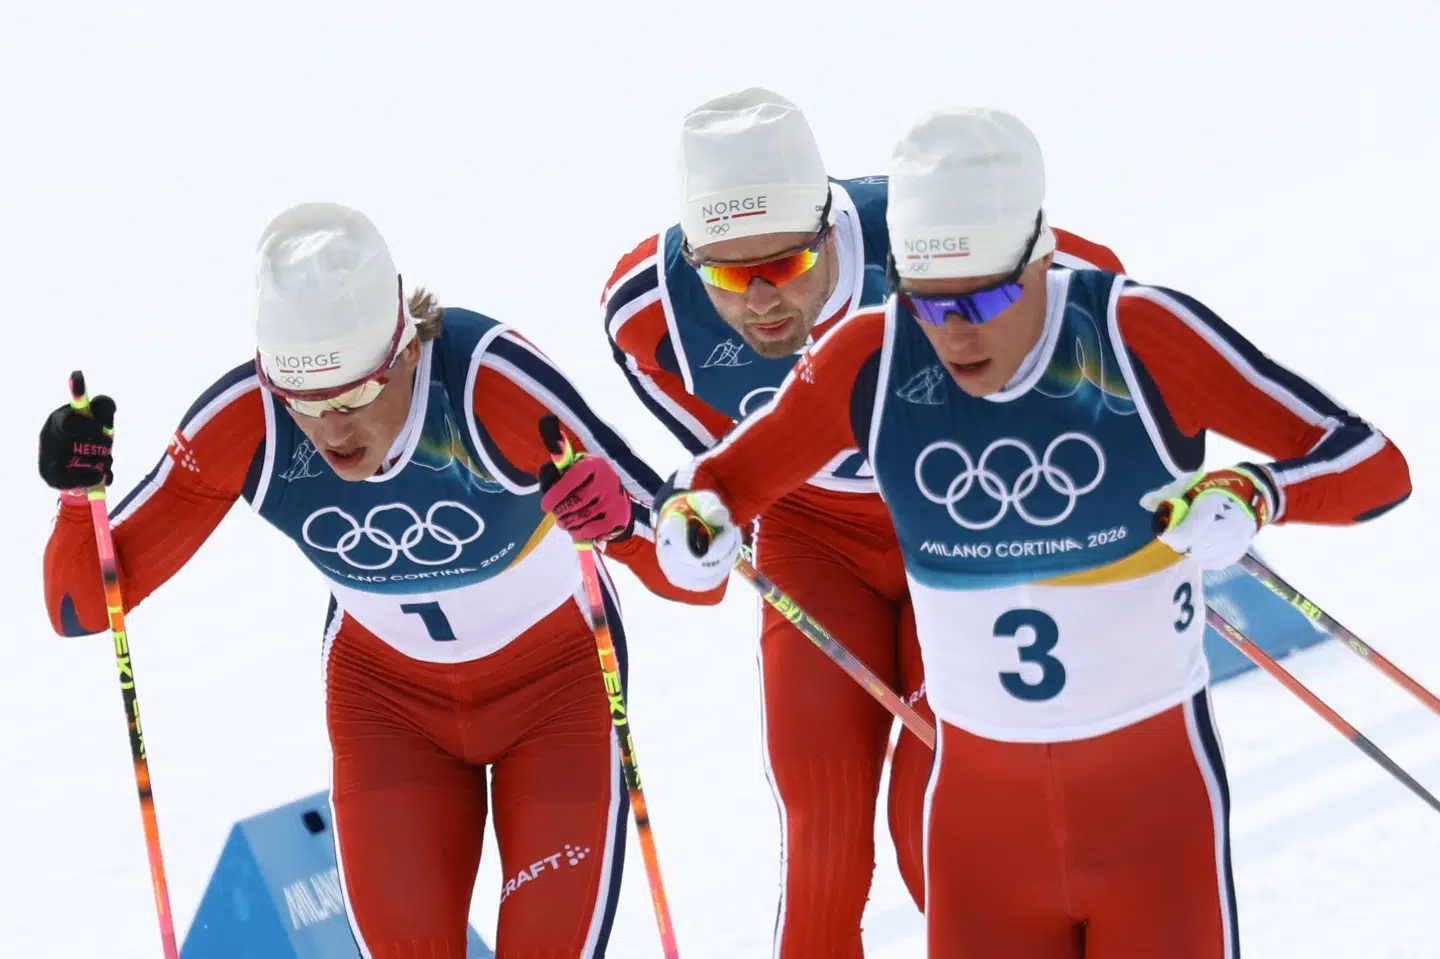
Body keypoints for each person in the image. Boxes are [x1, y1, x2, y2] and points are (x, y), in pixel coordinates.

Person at [649, 107, 1412, 957]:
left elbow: (1372, 462)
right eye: (928, 302)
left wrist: (1259, 492)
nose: (955, 332)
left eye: (988, 297)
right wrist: (693, 518)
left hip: (1152, 816)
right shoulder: (875, 354)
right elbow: (719, 484)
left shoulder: (1135, 335)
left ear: (1043, 256)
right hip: (984, 836)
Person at [39, 202, 722, 958]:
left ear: (405, 348)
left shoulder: (487, 382)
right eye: (306, 402)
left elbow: (699, 569)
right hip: (390, 711)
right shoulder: (249, 419)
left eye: (357, 395)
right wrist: (77, 502)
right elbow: (80, 606)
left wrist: (626, 519)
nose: (333, 430)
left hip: (556, 689)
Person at [602, 86, 1125, 957]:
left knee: (935, 807)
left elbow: (1104, 289)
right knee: (824, 833)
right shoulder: (647, 313)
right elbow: (728, 462)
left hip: (959, 525)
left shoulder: (922, 233)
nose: (762, 299)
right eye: (729, 275)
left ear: (829, 228)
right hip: (814, 541)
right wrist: (707, 514)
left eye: (786, 266)